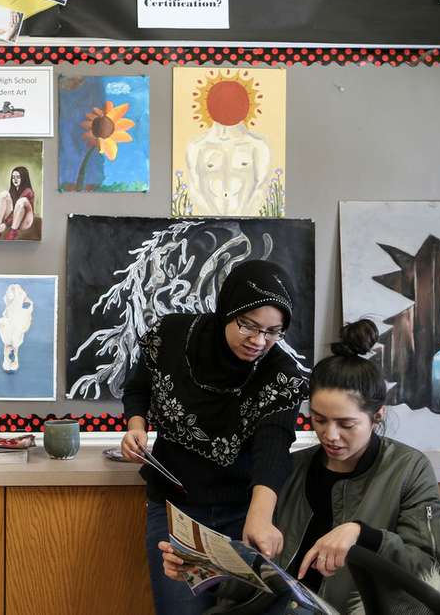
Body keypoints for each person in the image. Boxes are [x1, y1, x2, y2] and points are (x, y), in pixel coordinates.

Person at [159, 319, 440, 614]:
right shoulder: (292, 468)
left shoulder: (409, 469)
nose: (330, 435)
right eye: (319, 419)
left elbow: (430, 566)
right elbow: (261, 574)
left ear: (377, 416)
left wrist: (362, 535)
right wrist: (202, 570)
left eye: (346, 424)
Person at [122, 260, 309, 615]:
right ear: (227, 310)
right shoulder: (172, 336)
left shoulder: (280, 374)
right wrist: (136, 426)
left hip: (241, 511)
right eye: (248, 326)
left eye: (273, 331)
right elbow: (138, 386)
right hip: (174, 510)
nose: (258, 341)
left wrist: (260, 517)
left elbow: (274, 444)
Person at [0, 165, 36, 240]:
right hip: (14, 218)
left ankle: (12, 233)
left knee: (22, 201)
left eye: (18, 177)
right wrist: (1, 224)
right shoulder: (13, 190)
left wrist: (5, 224)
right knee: (4, 195)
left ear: (23, 178)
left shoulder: (28, 191)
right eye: (13, 177)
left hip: (25, 221)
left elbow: (19, 207)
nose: (15, 179)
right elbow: (12, 210)